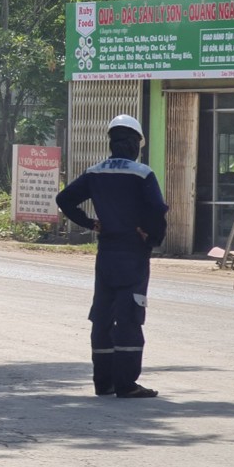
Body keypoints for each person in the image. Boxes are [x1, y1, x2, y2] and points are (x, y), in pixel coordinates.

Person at [56, 114, 168, 398]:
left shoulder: (95, 172)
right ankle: (126, 384)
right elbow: (157, 209)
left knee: (103, 317)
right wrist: (152, 238)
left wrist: (91, 223)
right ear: (135, 143)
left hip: (105, 253)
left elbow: (64, 199)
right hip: (133, 253)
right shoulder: (142, 173)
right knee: (129, 316)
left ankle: (103, 382)